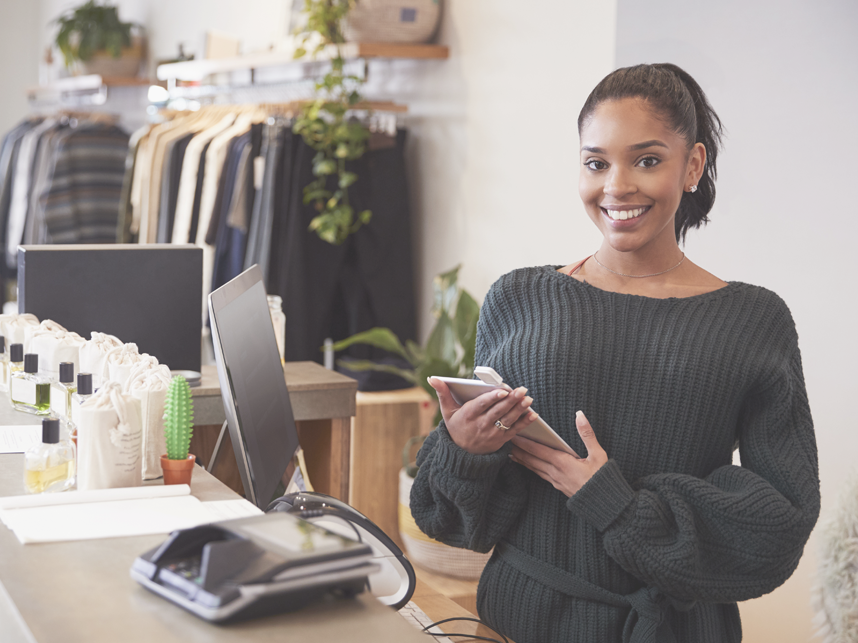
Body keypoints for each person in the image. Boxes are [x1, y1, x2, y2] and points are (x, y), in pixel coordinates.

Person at [412, 63, 820, 643]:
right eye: (596, 162)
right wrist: (467, 449)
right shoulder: (519, 297)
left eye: (647, 160)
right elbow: (459, 523)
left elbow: (782, 519)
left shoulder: (754, 321)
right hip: (515, 622)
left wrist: (620, 507)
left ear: (693, 166)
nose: (616, 186)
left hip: (673, 629)